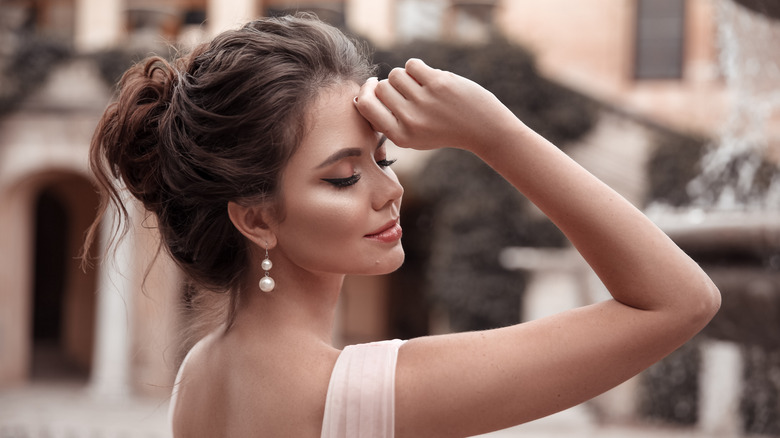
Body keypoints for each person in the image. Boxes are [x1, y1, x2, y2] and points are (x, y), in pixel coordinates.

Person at [85, 13, 720, 438]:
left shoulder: (201, 372)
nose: (390, 189)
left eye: (383, 159)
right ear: (256, 219)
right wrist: (497, 134)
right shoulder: (368, 391)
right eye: (343, 177)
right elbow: (680, 301)